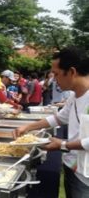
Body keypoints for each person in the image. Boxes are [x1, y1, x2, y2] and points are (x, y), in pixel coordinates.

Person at [14, 47, 89, 197]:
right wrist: (28, 126)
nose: (54, 79)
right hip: (72, 166)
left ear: (72, 72)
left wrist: (62, 144)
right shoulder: (74, 96)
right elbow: (59, 118)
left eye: (56, 74)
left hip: (86, 176)